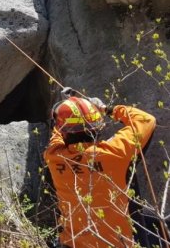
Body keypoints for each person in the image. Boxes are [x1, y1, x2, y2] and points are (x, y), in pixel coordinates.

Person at [44, 92, 157, 248]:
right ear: (99, 128)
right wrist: (106, 109)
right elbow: (146, 120)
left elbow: (57, 133)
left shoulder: (53, 156)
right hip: (121, 243)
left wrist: (65, 112)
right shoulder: (114, 153)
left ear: (64, 133)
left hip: (73, 244)